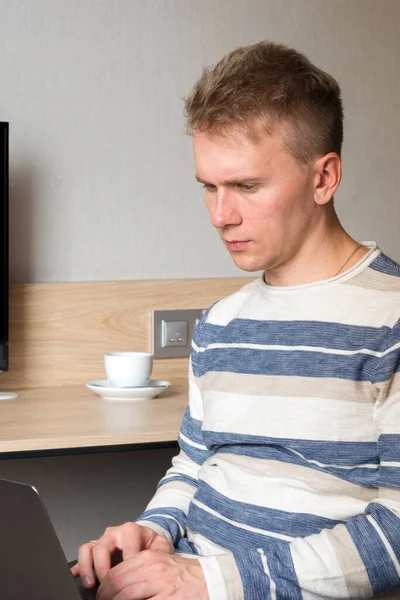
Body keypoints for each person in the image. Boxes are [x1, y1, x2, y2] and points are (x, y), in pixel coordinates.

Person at [72, 41, 400, 599]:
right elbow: (196, 464)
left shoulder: (389, 320)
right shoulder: (221, 323)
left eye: (247, 186)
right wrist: (153, 532)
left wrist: (213, 581)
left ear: (324, 178)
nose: (221, 216)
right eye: (209, 186)